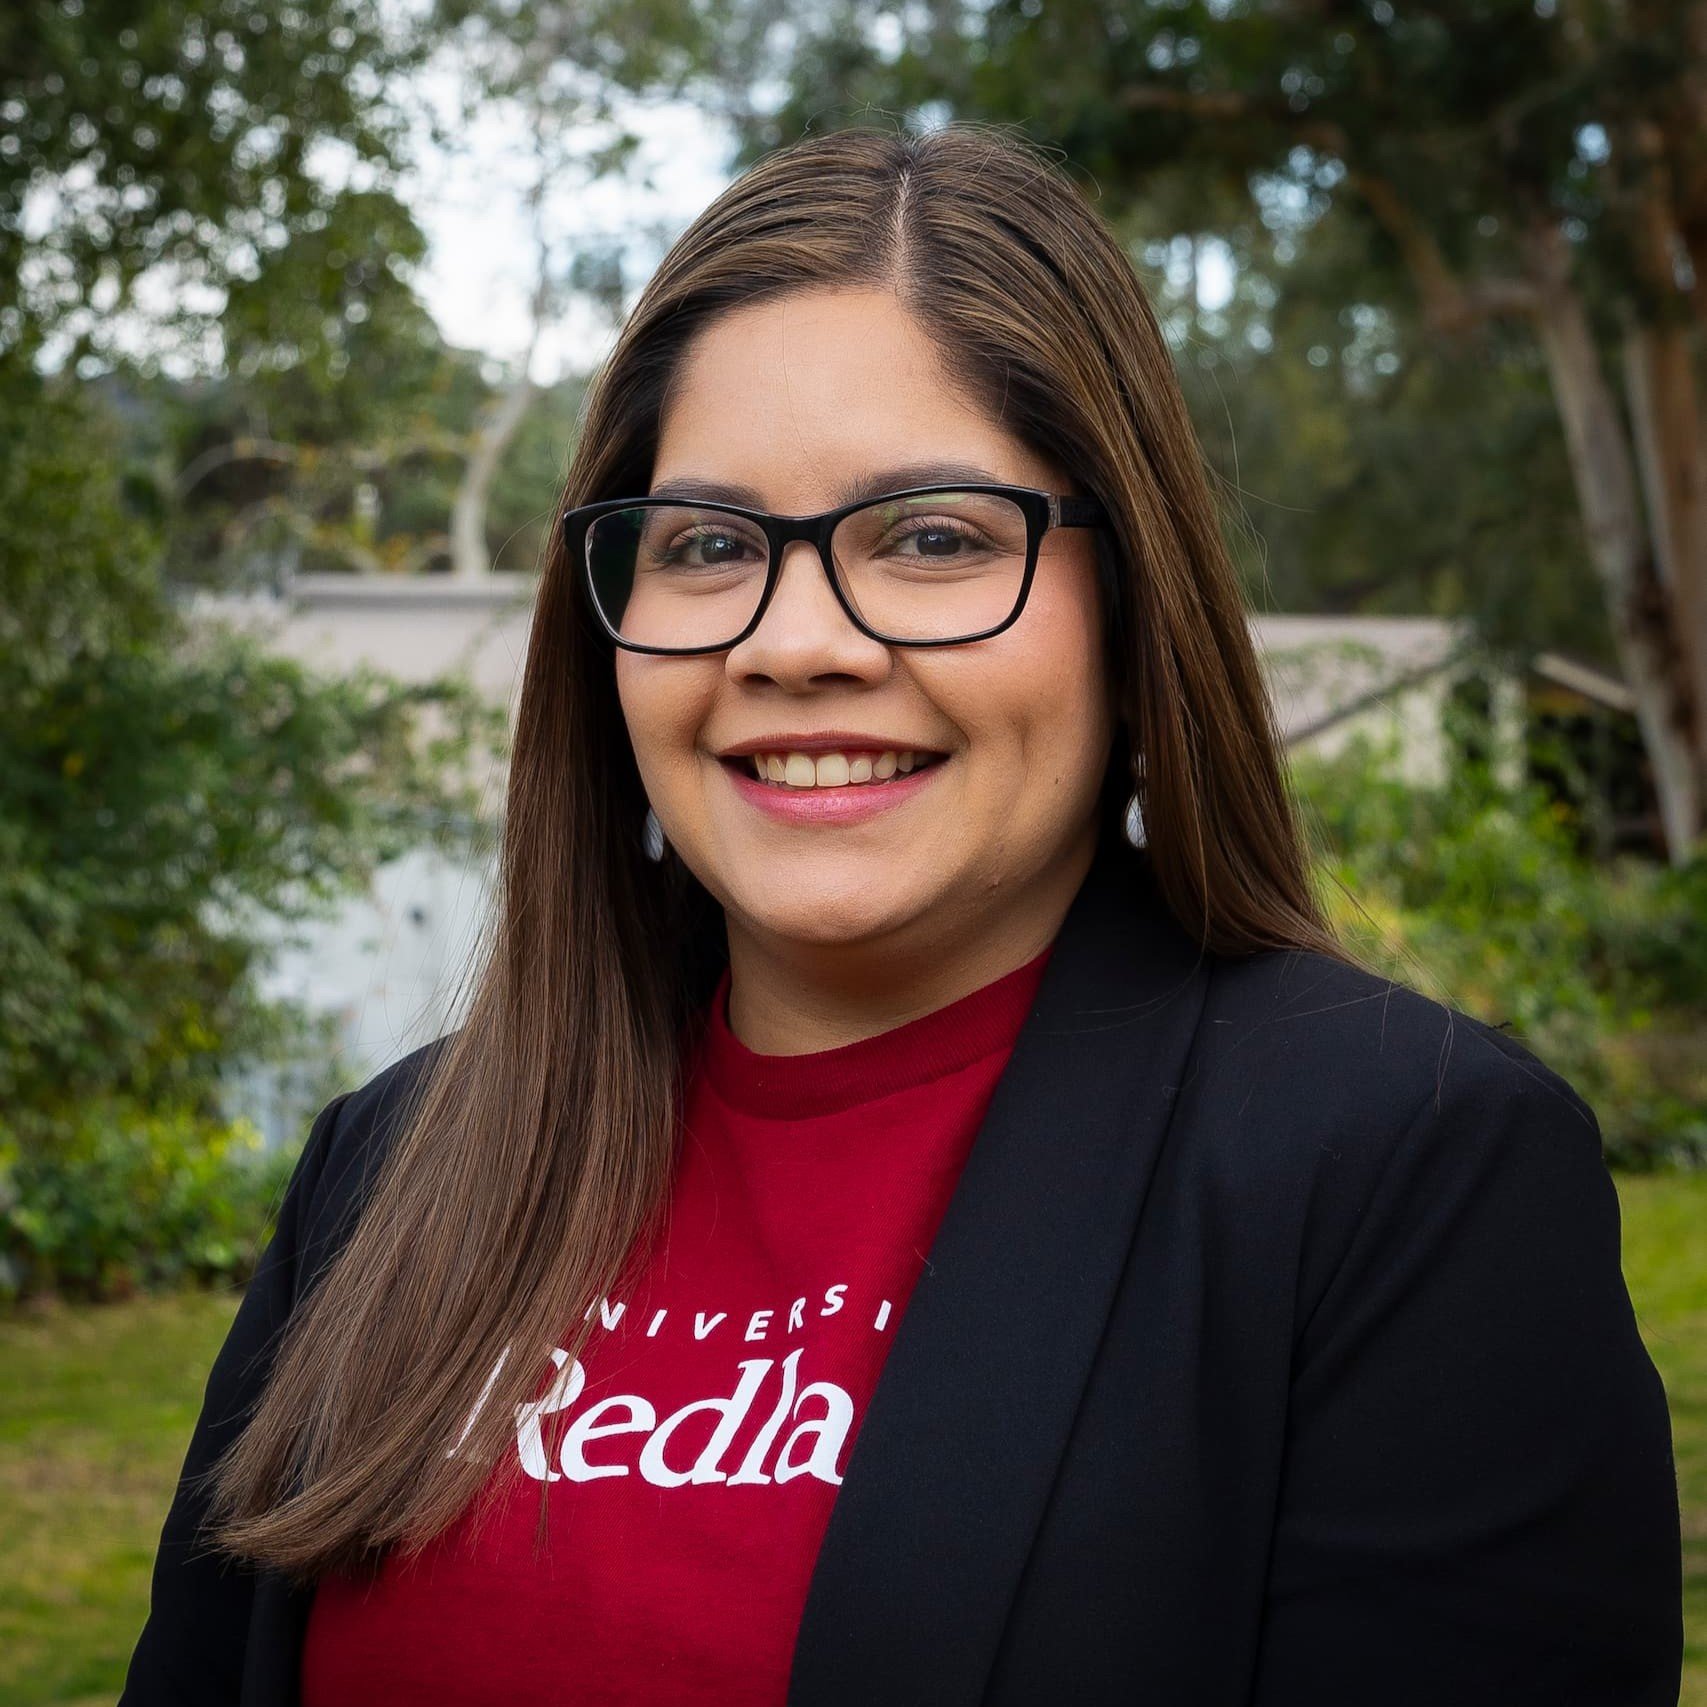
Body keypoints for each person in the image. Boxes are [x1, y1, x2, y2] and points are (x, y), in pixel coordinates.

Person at [120, 122, 1682, 1707]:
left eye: (933, 537)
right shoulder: (392, 1169)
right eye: (711, 545)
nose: (797, 643)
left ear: (1130, 606)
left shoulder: (1401, 1177)